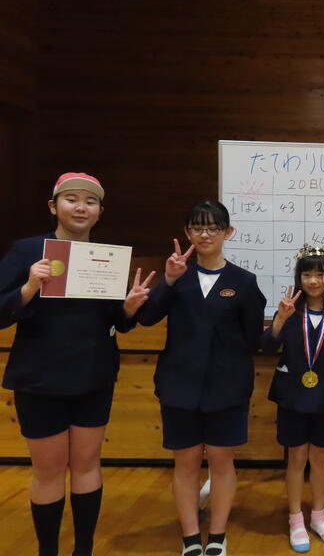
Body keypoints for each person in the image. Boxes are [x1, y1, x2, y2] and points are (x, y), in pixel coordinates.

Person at [0, 172, 154, 556]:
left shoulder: (106, 259)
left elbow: (117, 322)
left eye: (90, 201)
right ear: (53, 207)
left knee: (87, 465)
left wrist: (129, 308)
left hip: (93, 377)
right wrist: (29, 287)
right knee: (48, 471)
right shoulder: (27, 251)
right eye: (72, 199)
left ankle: (83, 549)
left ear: (100, 211)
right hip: (39, 379)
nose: (81, 207)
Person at [137, 199, 266, 556]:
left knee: (222, 463)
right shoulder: (177, 275)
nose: (205, 234)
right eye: (197, 227)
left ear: (228, 232)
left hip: (228, 388)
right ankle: (191, 536)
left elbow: (253, 340)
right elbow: (146, 318)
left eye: (213, 228)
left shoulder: (244, 282)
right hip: (179, 386)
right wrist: (167, 279)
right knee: (185, 464)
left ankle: (218, 536)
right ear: (187, 232)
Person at [262, 244, 324, 553]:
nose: (313, 281)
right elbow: (267, 347)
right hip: (292, 396)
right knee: (296, 458)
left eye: (320, 274)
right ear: (299, 277)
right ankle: (295, 519)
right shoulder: (289, 310)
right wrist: (279, 319)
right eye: (307, 274)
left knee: (319, 458)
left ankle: (318, 516)